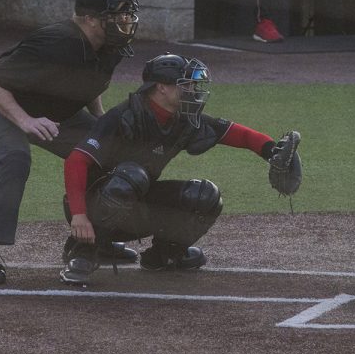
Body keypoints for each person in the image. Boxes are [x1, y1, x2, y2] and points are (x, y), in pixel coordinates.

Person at [58, 53, 301, 286]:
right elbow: (77, 161)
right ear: (161, 87)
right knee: (132, 176)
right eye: (186, 85)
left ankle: (163, 256)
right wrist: (79, 216)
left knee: (205, 195)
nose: (192, 91)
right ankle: (83, 252)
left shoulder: (182, 118)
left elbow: (235, 133)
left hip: (135, 206)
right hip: (89, 208)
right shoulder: (124, 116)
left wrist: (271, 151)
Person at [0, 0, 140, 284]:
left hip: (52, 112)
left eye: (127, 15)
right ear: (90, 19)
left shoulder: (110, 44)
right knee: (15, 157)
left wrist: (100, 119)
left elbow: (87, 80)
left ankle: (93, 241)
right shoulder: (55, 41)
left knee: (108, 148)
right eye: (118, 15)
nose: (126, 21)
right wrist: (26, 121)